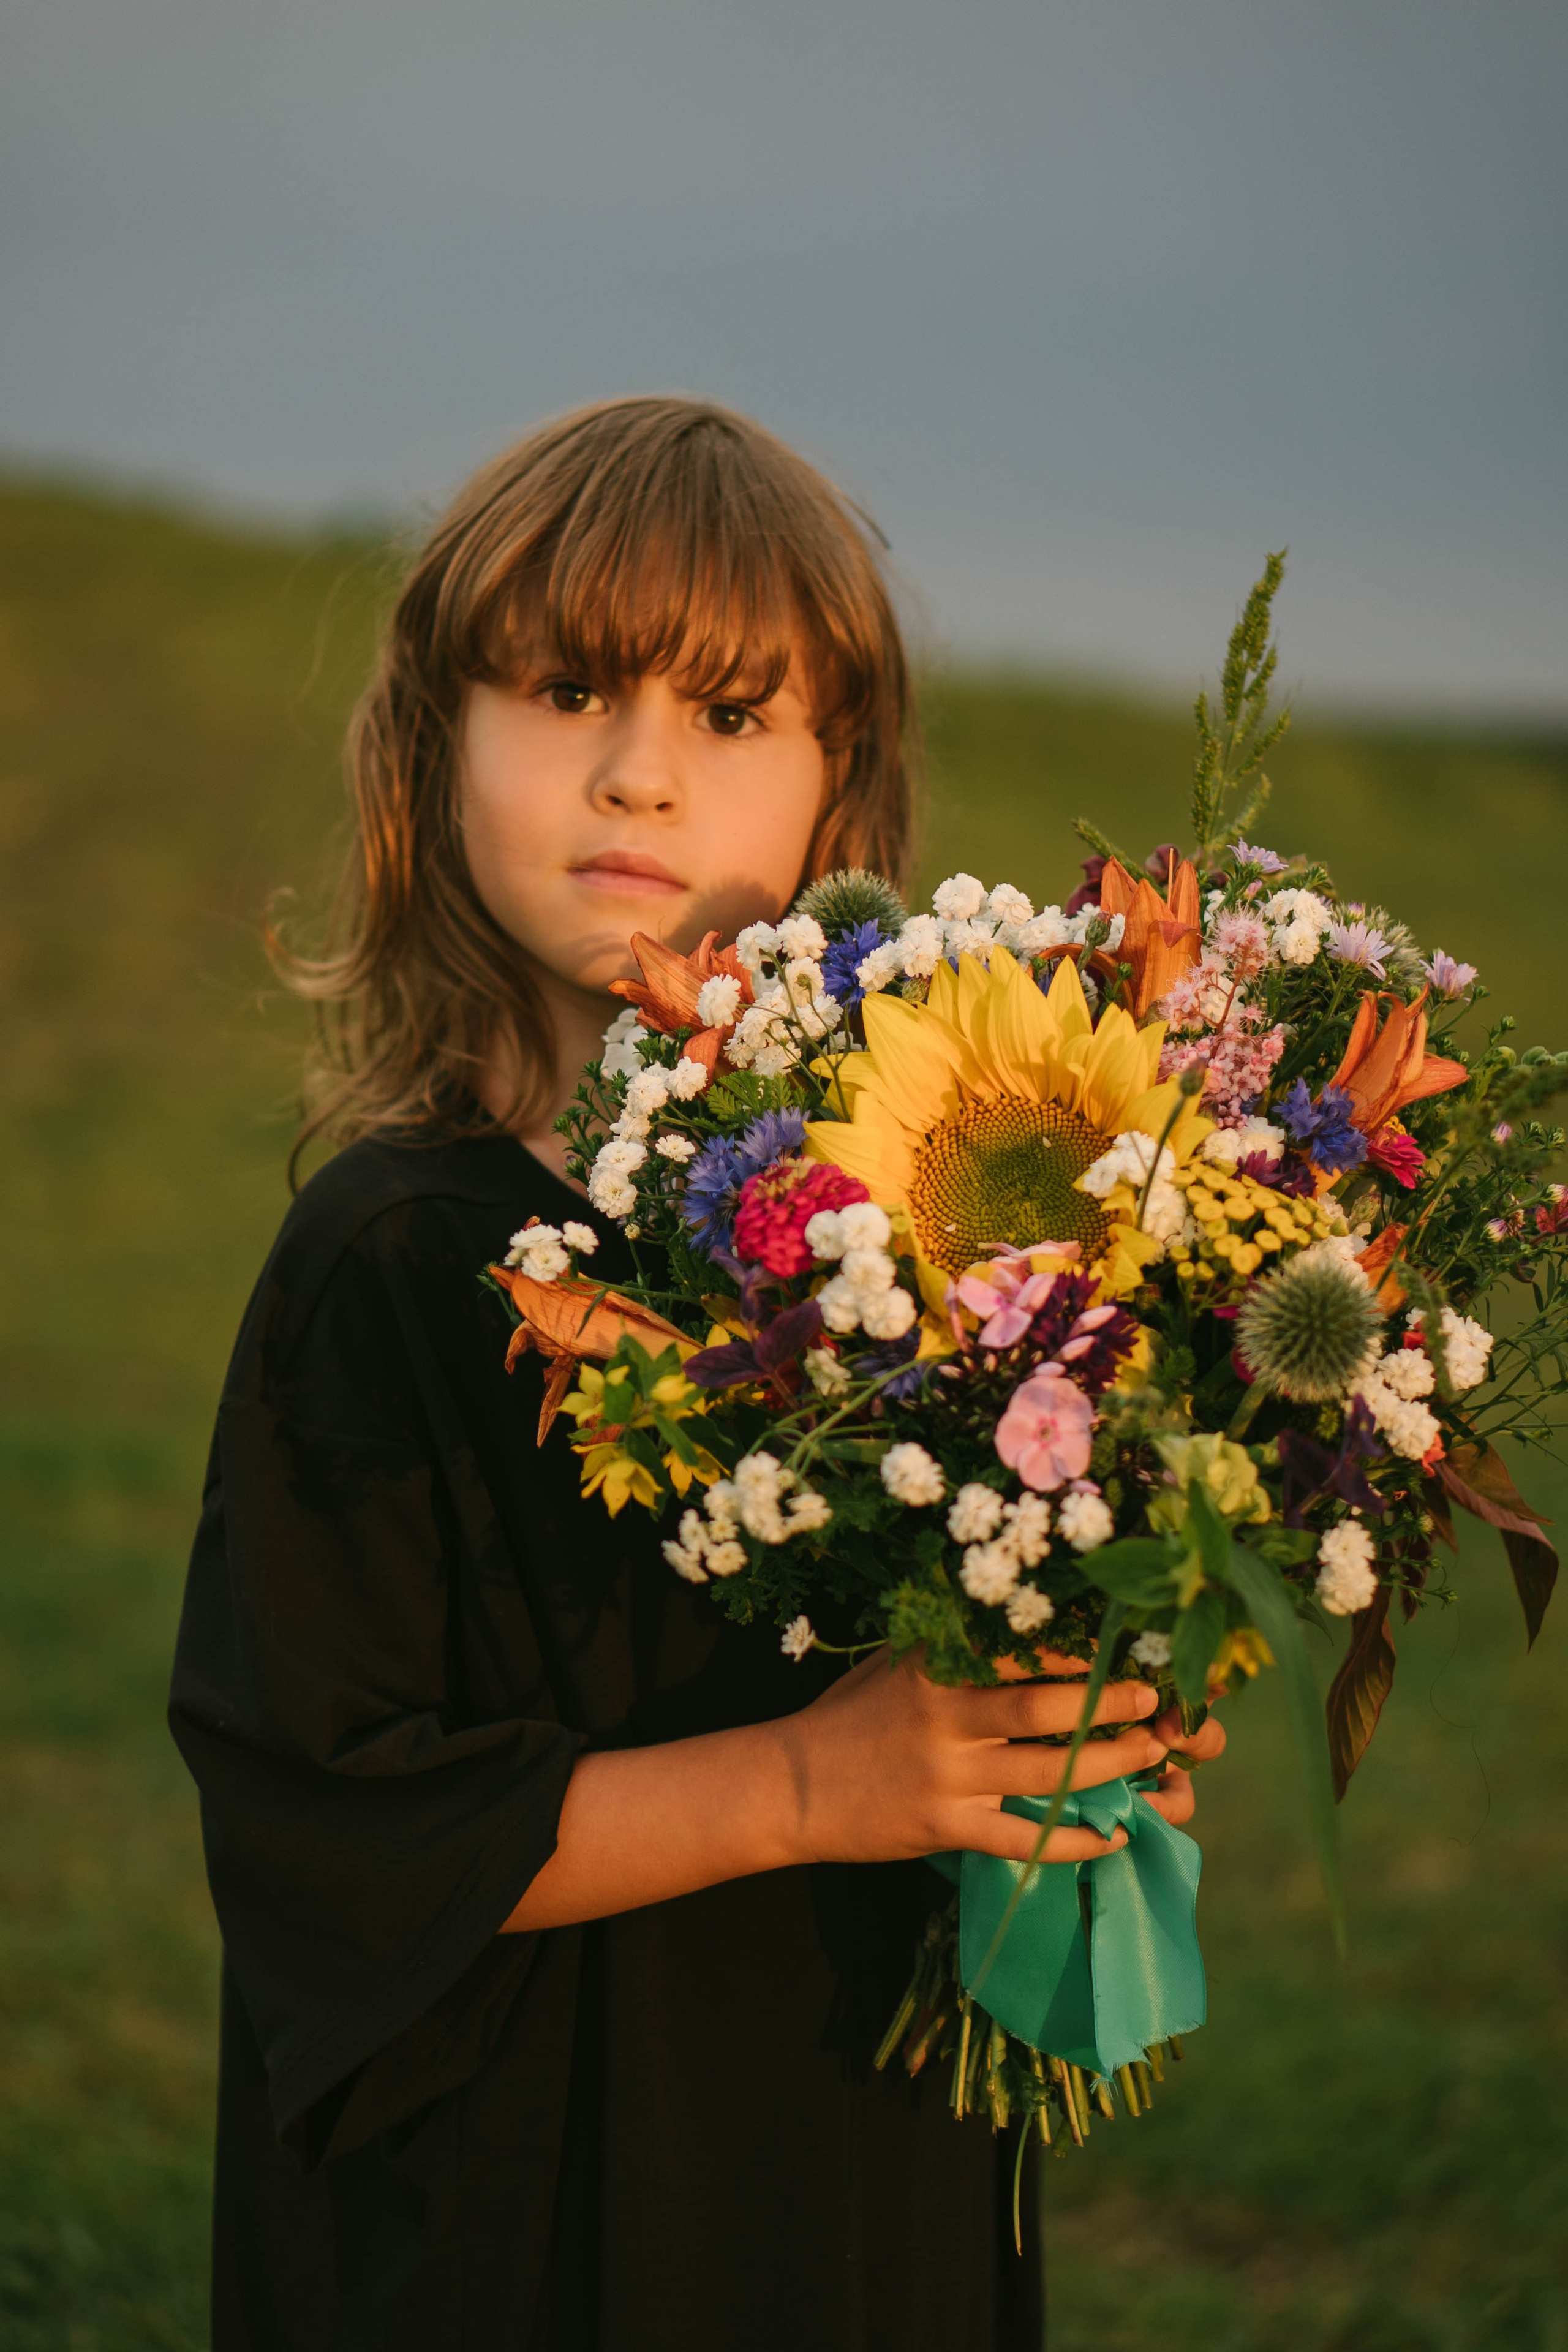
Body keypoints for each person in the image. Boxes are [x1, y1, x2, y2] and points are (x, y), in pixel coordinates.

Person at [170, 395, 1225, 2352]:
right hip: (522, 2204)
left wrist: (1082, 1710)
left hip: (847, 2149)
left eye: (731, 716)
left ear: (842, 797)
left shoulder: (924, 1234)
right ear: (434, 741)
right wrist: (830, 1777)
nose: (638, 778)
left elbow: (972, 1639)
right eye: (567, 691)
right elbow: (334, 1830)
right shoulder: (391, 1262)